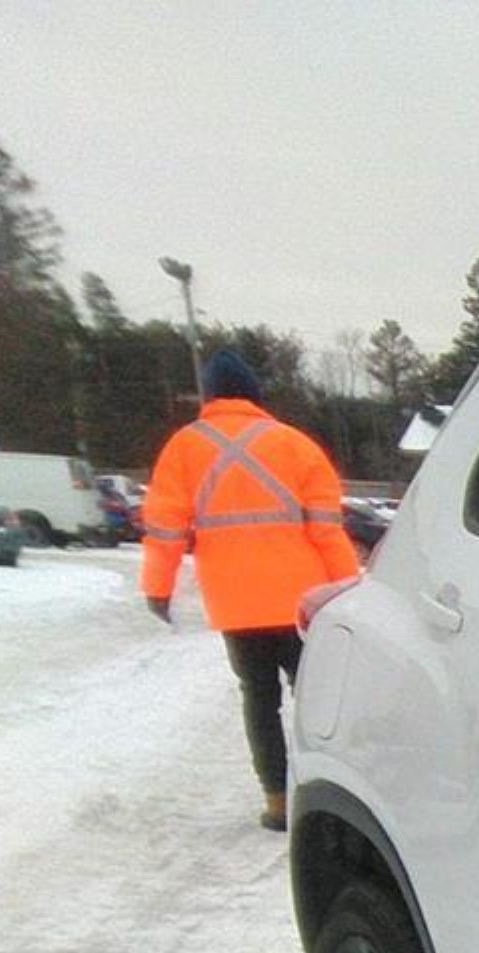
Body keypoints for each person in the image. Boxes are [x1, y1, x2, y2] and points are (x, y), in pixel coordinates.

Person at [140, 351, 365, 832]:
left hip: (236, 605)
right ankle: (335, 794)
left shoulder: (183, 448)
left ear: (210, 396)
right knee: (320, 697)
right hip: (303, 601)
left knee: (259, 701)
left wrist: (156, 588)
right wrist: (349, 591)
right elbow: (328, 528)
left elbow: (164, 528)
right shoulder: (295, 445)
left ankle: (278, 800)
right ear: (256, 395)